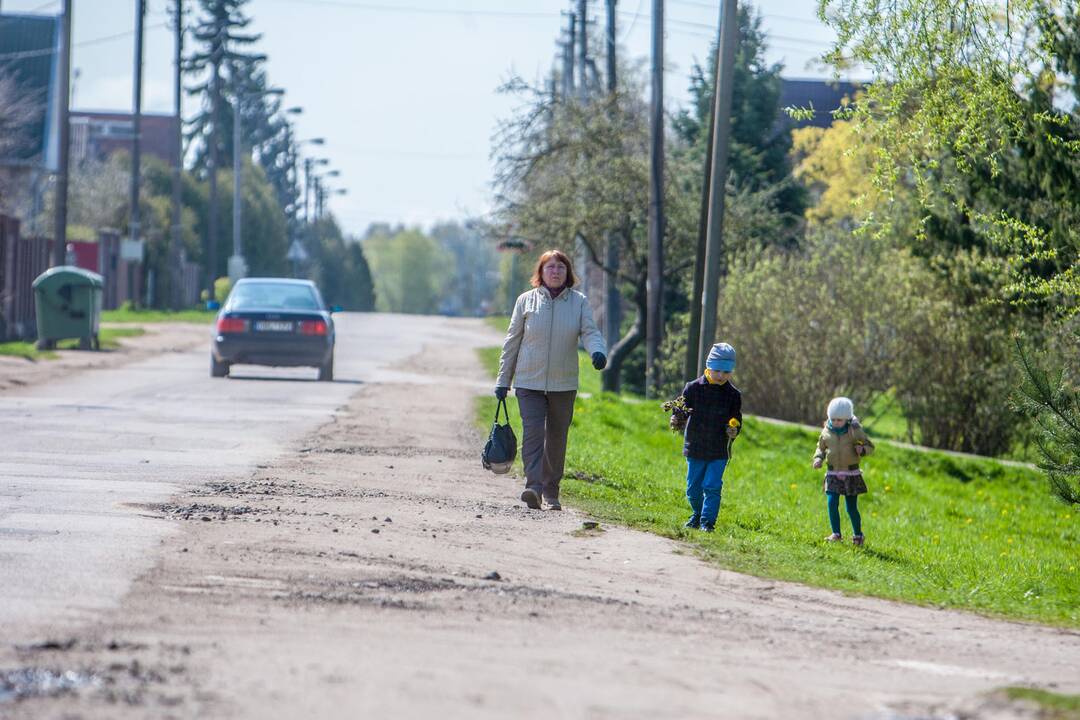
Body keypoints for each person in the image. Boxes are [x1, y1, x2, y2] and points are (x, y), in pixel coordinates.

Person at [495, 249, 607, 510]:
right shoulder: (526, 301)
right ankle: (533, 487)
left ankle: (551, 492)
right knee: (533, 435)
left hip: (563, 384)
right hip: (528, 382)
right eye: (550, 267)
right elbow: (512, 341)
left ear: (568, 273)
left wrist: (598, 352)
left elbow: (590, 332)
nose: (555, 272)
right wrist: (503, 380)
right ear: (541, 273)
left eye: (560, 267)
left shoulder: (578, 302)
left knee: (557, 438)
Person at [674, 342, 742, 532]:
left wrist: (734, 429)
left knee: (712, 486)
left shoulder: (733, 395)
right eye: (717, 371)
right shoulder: (693, 388)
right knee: (693, 489)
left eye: (726, 372)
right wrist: (676, 417)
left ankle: (707, 522)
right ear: (708, 367)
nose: (721, 376)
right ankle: (697, 513)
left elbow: (736, 418)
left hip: (719, 449)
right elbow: (681, 410)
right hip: (695, 446)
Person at [812, 397, 875, 545]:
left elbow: (870, 446)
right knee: (832, 502)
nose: (836, 422)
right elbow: (820, 448)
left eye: (839, 420)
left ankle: (858, 535)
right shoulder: (826, 431)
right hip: (832, 473)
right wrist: (818, 458)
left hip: (851, 474)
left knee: (851, 507)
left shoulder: (854, 431)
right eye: (833, 419)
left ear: (847, 418)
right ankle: (836, 534)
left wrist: (863, 449)